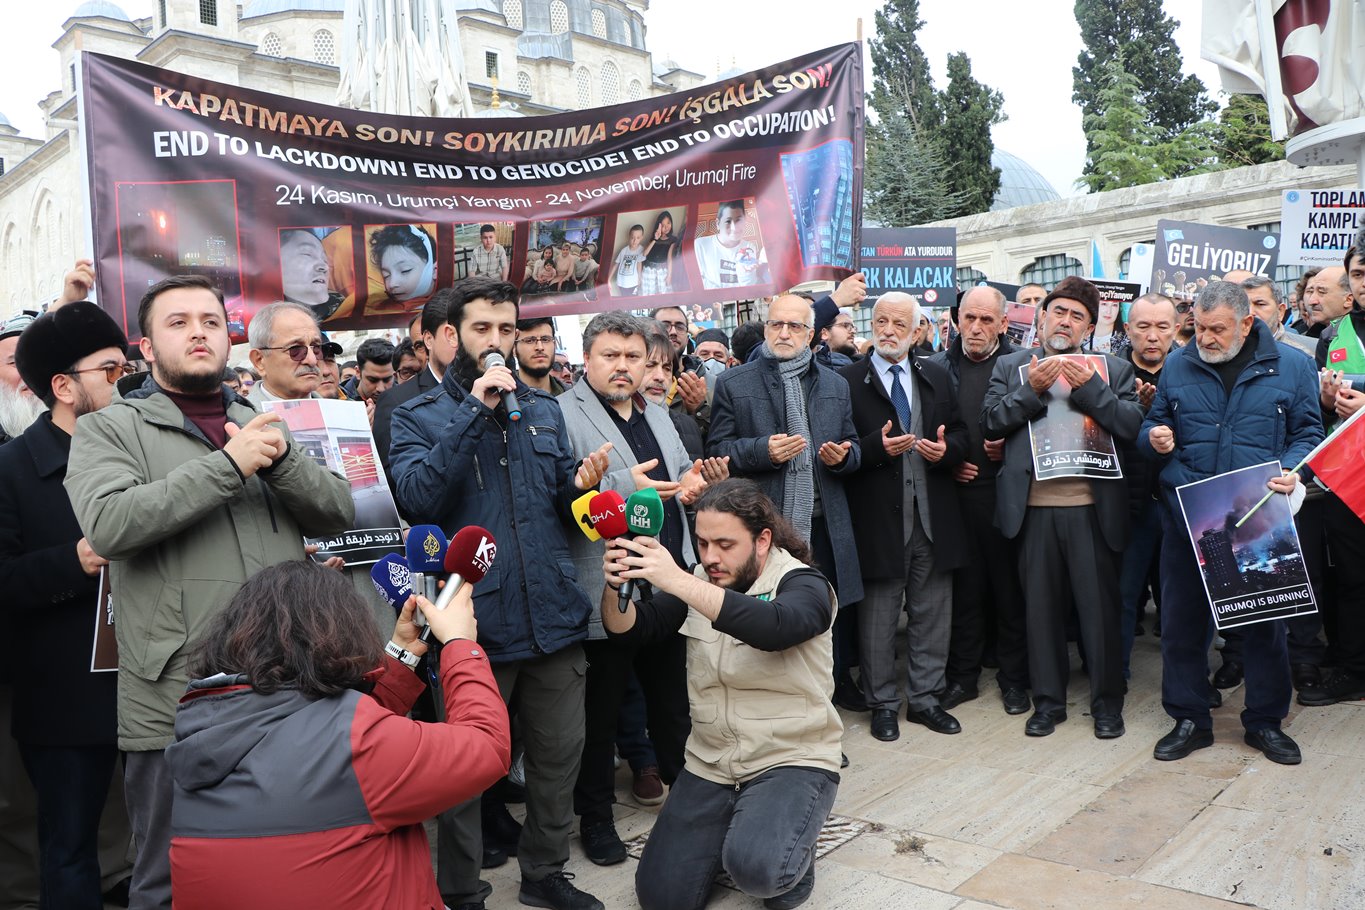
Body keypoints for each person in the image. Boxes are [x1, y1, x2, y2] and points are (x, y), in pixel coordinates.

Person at [63, 275, 354, 910]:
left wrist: (280, 461)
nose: (198, 332)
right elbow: (110, 525)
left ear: (229, 339)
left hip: (285, 683)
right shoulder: (109, 429)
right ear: (145, 347)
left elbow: (337, 511)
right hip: (176, 694)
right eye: (178, 322)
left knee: (286, 864)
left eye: (211, 321)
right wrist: (229, 465)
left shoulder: (258, 420)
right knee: (169, 878)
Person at [390, 275, 611, 910]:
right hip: (474, 627)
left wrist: (581, 488)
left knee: (558, 759)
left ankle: (545, 873)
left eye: (506, 329)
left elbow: (560, 508)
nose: (497, 341)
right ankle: (461, 891)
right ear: (452, 334)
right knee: (463, 774)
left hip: (553, 617)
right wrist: (474, 411)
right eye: (482, 328)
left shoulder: (542, 408)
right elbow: (418, 498)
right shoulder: (415, 416)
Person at [164, 561, 510, 910]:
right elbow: (486, 744)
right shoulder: (353, 747)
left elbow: (331, 742)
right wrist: (460, 643)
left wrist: (401, 653)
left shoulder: (207, 731)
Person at [602, 480, 841, 910]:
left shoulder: (804, 583)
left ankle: (792, 858)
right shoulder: (700, 580)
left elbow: (776, 628)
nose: (710, 557)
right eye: (702, 543)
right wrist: (615, 581)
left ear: (762, 539)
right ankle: (742, 827)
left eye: (725, 545)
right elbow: (632, 631)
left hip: (790, 758)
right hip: (711, 762)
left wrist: (676, 579)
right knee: (661, 899)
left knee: (761, 872)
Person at [1140, 281, 1323, 763]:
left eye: (1217, 329)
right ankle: (1189, 718)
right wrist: (1154, 437)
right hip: (1189, 513)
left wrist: (1293, 469)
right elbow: (1153, 424)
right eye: (1199, 327)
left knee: (1264, 626)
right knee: (1182, 624)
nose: (1205, 338)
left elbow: (1309, 432)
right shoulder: (1178, 364)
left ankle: (1265, 722)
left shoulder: (1294, 366)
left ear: (1246, 323)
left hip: (1257, 516)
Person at [557, 311, 702, 866]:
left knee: (673, 708)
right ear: (587, 359)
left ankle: (690, 808)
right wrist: (621, 483)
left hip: (666, 581)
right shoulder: (560, 413)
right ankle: (595, 818)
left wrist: (691, 485)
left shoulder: (657, 412)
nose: (623, 366)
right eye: (611, 356)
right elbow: (560, 497)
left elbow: (680, 473)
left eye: (633, 357)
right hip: (606, 586)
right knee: (600, 719)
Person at [1, 302, 133, 910]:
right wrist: (72, 562)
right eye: (109, 370)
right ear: (63, 386)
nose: (123, 381)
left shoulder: (142, 452)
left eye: (126, 367)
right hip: (63, 693)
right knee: (70, 847)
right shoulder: (12, 469)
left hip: (152, 678)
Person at [982, 276, 1143, 740]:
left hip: (1091, 510)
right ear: (1042, 317)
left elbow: (1131, 424)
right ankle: (1048, 704)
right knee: (1041, 613)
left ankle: (1107, 704)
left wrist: (1092, 389)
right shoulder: (1012, 366)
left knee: (1099, 614)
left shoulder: (1113, 370)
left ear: (1089, 328)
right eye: (1058, 311)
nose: (1065, 321)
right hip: (1033, 511)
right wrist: (1029, 390)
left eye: (1077, 316)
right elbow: (989, 422)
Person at [708, 293, 864, 708]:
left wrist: (844, 457)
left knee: (827, 614)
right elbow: (717, 450)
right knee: (772, 617)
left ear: (811, 334)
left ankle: (830, 696)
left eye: (794, 326)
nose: (783, 333)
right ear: (765, 328)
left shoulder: (835, 384)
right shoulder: (734, 382)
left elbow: (852, 444)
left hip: (824, 523)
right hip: (766, 527)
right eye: (776, 324)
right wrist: (762, 451)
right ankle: (781, 703)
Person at [840, 293, 968, 741]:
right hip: (878, 521)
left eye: (899, 324)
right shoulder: (848, 381)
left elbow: (961, 434)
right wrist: (874, 448)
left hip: (932, 518)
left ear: (917, 332)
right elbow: (839, 450)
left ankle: (926, 699)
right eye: (881, 321)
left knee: (932, 614)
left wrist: (946, 450)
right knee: (877, 619)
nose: (888, 330)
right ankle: (882, 705)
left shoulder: (936, 374)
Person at [928, 286, 1030, 716]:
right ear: (957, 320)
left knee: (1011, 594)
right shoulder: (935, 367)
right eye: (969, 318)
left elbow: (1043, 426)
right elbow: (927, 431)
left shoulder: (1024, 365)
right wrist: (949, 461)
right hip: (957, 499)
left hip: (1010, 496)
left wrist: (1013, 449)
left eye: (986, 320)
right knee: (964, 595)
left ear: (1004, 324)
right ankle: (963, 678)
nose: (976, 327)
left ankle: (1015, 680)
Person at [1116, 294, 1180, 680]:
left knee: (1180, 600)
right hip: (1130, 505)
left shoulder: (1191, 371)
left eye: (1161, 327)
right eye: (1143, 326)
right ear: (1128, 330)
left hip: (1178, 503)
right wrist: (1135, 410)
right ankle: (1115, 676)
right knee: (1123, 595)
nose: (1152, 336)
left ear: (1176, 329)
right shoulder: (1111, 373)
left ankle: (1185, 680)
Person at [373, 293, 452, 502]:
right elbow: (392, 478)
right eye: (418, 346)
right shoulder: (396, 401)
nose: (425, 353)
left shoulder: (492, 392)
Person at [245, 301, 327, 403]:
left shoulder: (339, 411)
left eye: (316, 348)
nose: (312, 360)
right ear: (259, 361)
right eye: (295, 349)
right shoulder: (238, 413)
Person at [279, 228, 343, 322]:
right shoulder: (265, 315)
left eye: (324, 259)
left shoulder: (341, 305)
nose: (324, 266)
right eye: (307, 254)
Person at [694, 201, 761, 289]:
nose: (734, 228)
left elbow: (749, 287)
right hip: (712, 297)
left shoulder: (749, 247)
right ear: (718, 224)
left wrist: (747, 273)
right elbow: (698, 282)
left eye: (738, 220)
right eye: (728, 221)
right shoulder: (700, 245)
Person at [370, 225, 435, 305]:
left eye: (405, 270)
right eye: (386, 275)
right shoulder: (379, 307)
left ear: (434, 270)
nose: (392, 284)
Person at [515, 317, 566, 396]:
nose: (540, 347)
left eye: (545, 340)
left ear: (555, 345)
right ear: (514, 348)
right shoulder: (499, 399)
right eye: (530, 340)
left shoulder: (574, 396)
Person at [341, 337, 397, 405]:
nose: (380, 389)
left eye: (387, 380)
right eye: (372, 380)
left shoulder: (403, 398)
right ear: (358, 372)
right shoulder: (338, 402)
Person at [641, 210, 681, 295]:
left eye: (668, 223)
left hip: (662, 271)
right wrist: (655, 239)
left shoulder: (673, 240)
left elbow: (670, 259)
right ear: (658, 226)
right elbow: (644, 254)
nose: (666, 227)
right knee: (649, 294)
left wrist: (669, 276)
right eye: (662, 225)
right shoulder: (654, 238)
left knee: (664, 294)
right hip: (648, 270)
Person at [1086, 293, 1129, 357]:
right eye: (1104, 304)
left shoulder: (1125, 340)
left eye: (1114, 305)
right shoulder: (1081, 335)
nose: (1109, 311)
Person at [610, 224, 648, 296]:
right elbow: (616, 264)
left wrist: (639, 279)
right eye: (632, 238)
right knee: (624, 299)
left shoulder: (641, 250)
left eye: (638, 238)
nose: (635, 240)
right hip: (621, 283)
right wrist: (609, 279)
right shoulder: (624, 250)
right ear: (629, 236)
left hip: (633, 283)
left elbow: (639, 264)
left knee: (632, 300)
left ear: (641, 238)